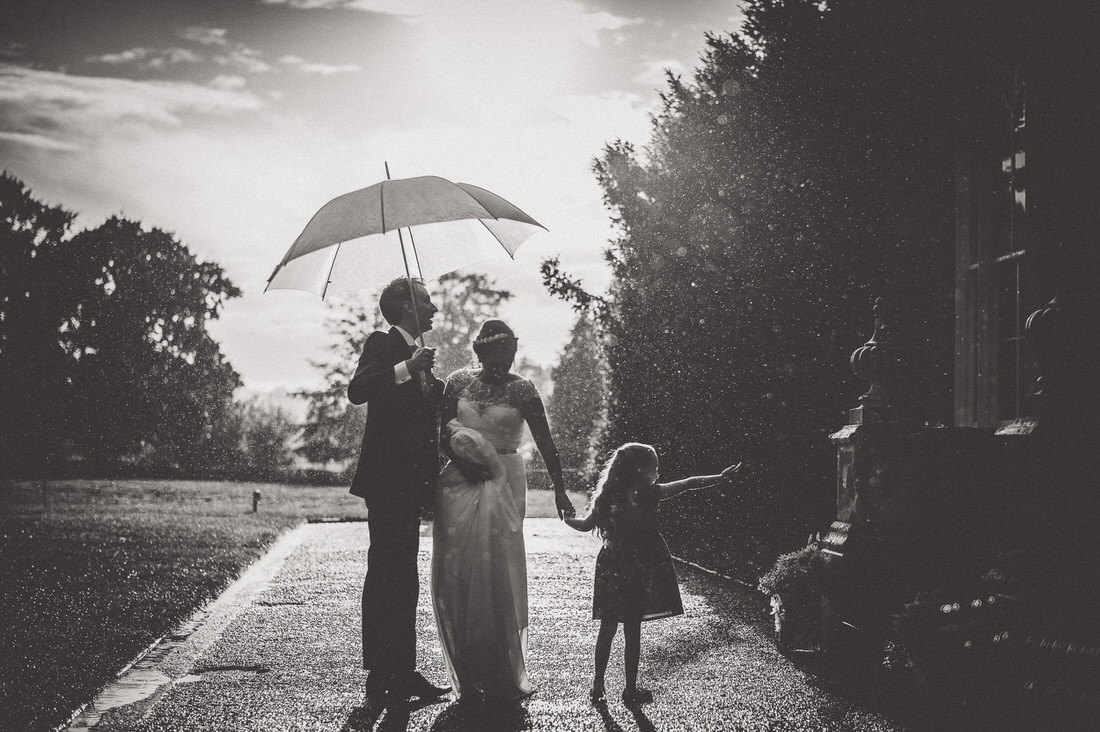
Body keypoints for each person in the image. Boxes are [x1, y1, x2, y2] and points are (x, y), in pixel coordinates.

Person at [430, 319, 577, 703]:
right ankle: (466, 662)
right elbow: (440, 432)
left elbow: (545, 442)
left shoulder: (524, 390)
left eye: (510, 356)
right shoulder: (457, 383)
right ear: (481, 353)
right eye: (497, 357)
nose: (504, 364)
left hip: (506, 479)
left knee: (498, 567)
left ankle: (500, 663)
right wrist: (464, 462)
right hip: (459, 480)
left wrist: (560, 490)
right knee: (457, 567)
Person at [565, 443, 742, 705]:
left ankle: (598, 683)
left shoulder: (607, 496)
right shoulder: (650, 494)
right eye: (654, 468)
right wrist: (720, 478)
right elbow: (688, 483)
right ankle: (630, 689)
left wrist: (567, 517)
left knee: (608, 627)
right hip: (636, 568)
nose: (657, 473)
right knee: (632, 630)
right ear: (640, 470)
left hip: (611, 567)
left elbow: (584, 525)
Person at [348, 276, 450, 702]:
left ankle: (402, 672)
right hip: (387, 481)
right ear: (407, 306)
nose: (434, 310)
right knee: (386, 575)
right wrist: (410, 368)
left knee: (404, 577)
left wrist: (435, 388)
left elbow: (419, 420)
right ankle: (380, 677)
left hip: (411, 483)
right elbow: (358, 391)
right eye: (427, 302)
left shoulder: (418, 356)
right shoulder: (382, 343)